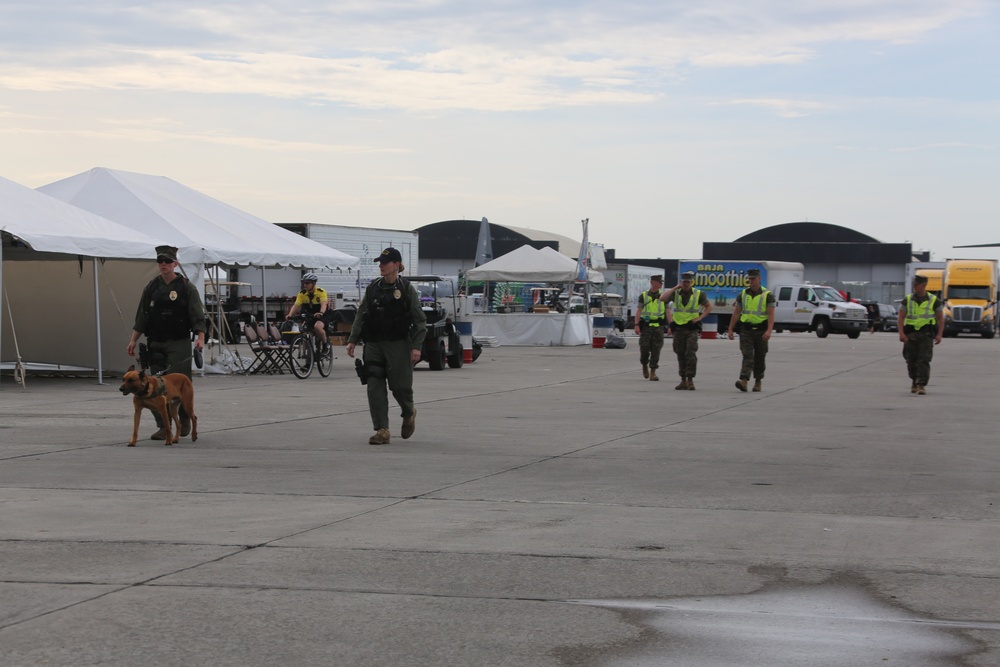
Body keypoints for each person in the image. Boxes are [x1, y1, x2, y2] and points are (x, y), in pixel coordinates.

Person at [346, 248, 427, 445]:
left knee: (400, 386)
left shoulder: (406, 290)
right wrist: (353, 338)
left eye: (385, 262)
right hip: (374, 342)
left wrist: (416, 346)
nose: (381, 265)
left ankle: (409, 412)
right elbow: (362, 313)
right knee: (374, 385)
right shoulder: (373, 287)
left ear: (397, 265)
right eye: (380, 262)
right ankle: (382, 430)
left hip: (398, 343)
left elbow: (420, 321)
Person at [126, 245, 207, 440]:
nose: (163, 265)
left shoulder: (186, 287)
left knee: (178, 382)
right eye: (160, 262)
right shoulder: (151, 287)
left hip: (178, 341)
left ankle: (184, 419)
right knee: (153, 386)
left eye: (168, 261)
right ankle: (164, 426)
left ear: (175, 264)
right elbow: (142, 317)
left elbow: (197, 315)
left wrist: (201, 338)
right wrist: (133, 340)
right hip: (155, 341)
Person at [658, 271, 713, 390]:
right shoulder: (676, 293)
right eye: (684, 282)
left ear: (691, 282)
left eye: (688, 282)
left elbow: (709, 307)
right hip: (678, 328)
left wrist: (700, 317)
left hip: (691, 328)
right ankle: (683, 380)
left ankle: (690, 379)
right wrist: (675, 287)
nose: (686, 284)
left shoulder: (698, 294)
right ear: (681, 282)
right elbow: (662, 298)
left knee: (691, 353)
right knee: (680, 354)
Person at [727, 268, 775, 392]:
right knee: (747, 355)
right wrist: (730, 329)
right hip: (746, 330)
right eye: (750, 279)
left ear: (759, 279)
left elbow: (771, 315)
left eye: (753, 279)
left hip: (761, 330)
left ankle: (758, 381)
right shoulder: (743, 294)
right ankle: (744, 380)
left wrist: (769, 330)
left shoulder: (768, 295)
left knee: (760, 356)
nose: (751, 281)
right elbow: (736, 313)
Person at [897, 274, 944, 395]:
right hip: (911, 334)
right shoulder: (907, 300)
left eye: (916, 284)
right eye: (914, 284)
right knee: (910, 359)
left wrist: (939, 335)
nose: (914, 286)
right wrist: (901, 333)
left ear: (924, 285)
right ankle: (914, 380)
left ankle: (921, 384)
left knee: (924, 360)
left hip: (926, 334)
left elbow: (940, 319)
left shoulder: (934, 300)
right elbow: (901, 317)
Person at [634, 275, 667, 381]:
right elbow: (639, 310)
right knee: (644, 349)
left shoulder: (664, 296)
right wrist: (636, 325)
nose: (661, 284)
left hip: (659, 327)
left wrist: (671, 325)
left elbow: (668, 311)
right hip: (646, 327)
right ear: (653, 282)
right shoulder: (643, 296)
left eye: (661, 282)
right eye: (659, 282)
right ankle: (644, 364)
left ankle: (653, 371)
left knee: (656, 350)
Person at [285, 273, 330, 350]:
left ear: (313, 283)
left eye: (307, 283)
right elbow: (296, 305)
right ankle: (308, 358)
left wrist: (321, 313)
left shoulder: (321, 291)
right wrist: (290, 314)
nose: (305, 285)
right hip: (310, 314)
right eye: (304, 283)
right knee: (305, 332)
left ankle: (325, 344)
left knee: (317, 327)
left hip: (321, 313)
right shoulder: (302, 293)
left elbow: (323, 304)